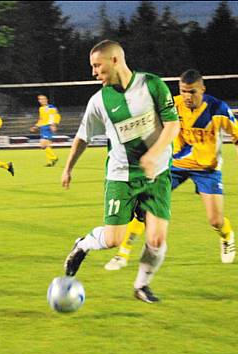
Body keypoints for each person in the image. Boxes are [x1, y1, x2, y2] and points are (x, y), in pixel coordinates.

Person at [61, 40, 180, 303]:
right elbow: (83, 137)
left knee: (157, 239)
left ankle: (141, 286)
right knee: (114, 238)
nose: (93, 72)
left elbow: (173, 125)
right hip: (121, 176)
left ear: (114, 60)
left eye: (96, 65)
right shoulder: (98, 101)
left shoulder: (152, 85)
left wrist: (153, 154)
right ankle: (83, 244)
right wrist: (68, 167)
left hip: (156, 173)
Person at [104, 69, 238, 271]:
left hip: (207, 169)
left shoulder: (218, 108)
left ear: (202, 89)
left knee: (215, 220)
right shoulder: (173, 105)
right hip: (174, 165)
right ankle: (122, 254)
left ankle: (227, 236)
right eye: (183, 91)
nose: (187, 97)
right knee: (144, 209)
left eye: (192, 92)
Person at [30, 94, 61, 167]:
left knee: (43, 145)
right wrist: (36, 126)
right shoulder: (41, 109)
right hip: (43, 127)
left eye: (43, 99)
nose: (41, 100)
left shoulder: (51, 107)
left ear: (46, 100)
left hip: (48, 127)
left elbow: (56, 116)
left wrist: (53, 124)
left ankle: (54, 157)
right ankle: (50, 162)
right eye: (40, 99)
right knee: (47, 146)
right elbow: (41, 119)